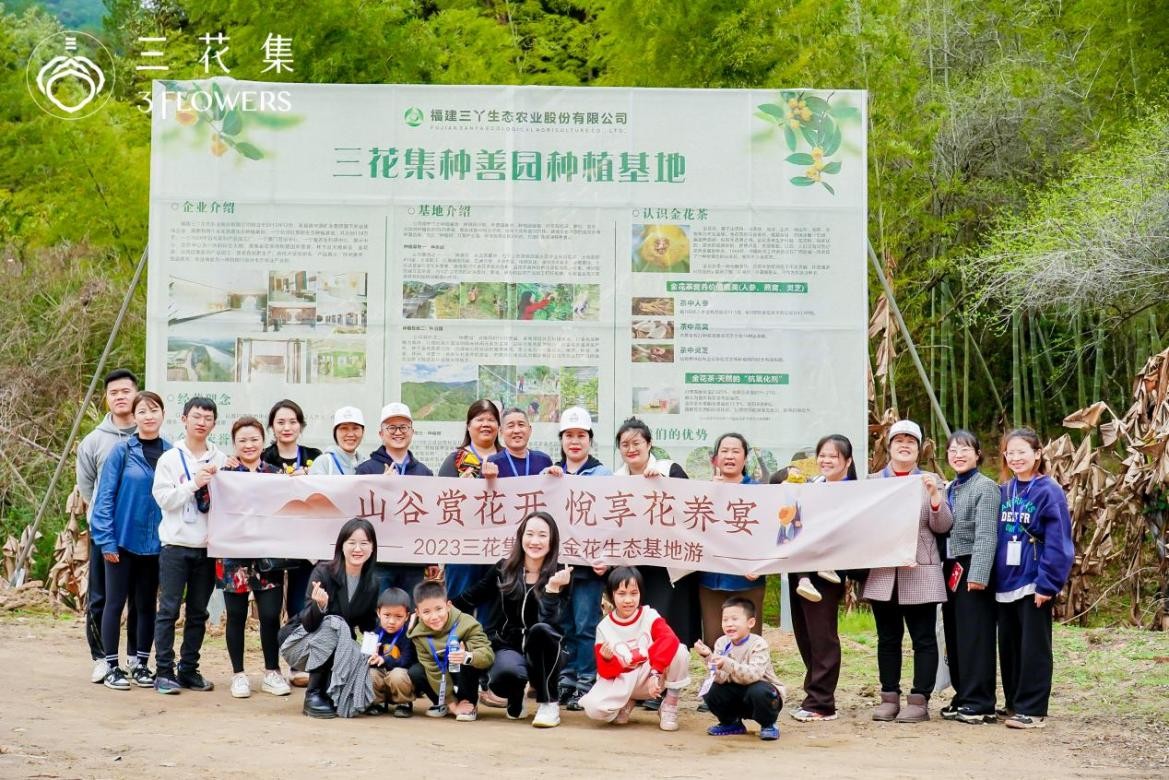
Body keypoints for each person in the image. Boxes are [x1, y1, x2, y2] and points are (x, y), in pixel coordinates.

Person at [865, 419, 953, 723]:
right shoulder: (872, 482)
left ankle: (919, 699)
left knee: (923, 638)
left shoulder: (930, 480)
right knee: (888, 638)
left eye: (911, 441)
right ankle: (889, 697)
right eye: (899, 440)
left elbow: (943, 526)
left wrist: (935, 498)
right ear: (888, 446)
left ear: (919, 448)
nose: (904, 445)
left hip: (920, 571)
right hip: (884, 572)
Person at [453, 511, 573, 728]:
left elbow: (551, 623)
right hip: (509, 645)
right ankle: (514, 697)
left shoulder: (560, 575)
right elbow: (473, 596)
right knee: (504, 672)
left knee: (541, 630)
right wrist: (440, 608)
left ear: (552, 540)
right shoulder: (504, 568)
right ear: (521, 536)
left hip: (546, 651)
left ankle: (549, 704)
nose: (535, 541)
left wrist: (552, 589)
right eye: (530, 534)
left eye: (542, 535)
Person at [994, 428, 1073, 729]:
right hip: (1006, 580)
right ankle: (1014, 703)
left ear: (1037, 454)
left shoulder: (1048, 490)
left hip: (1033, 579)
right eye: (1010, 453)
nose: (1015, 458)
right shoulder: (1005, 490)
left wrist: (1047, 583)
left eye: (1022, 452)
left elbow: (1058, 541)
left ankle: (1033, 708)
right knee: (1009, 646)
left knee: (1034, 647)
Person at [91, 390, 169, 691]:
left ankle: (140, 663)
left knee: (146, 605)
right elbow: (104, 498)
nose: (149, 416)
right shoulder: (122, 451)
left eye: (154, 410)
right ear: (134, 417)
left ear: (163, 414)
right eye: (143, 411)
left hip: (156, 544)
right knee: (114, 603)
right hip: (121, 542)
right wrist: (106, 541)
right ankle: (112, 665)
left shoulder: (171, 453)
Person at [150, 396, 228, 695]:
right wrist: (194, 483)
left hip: (207, 548)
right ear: (184, 419)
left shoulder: (220, 459)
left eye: (208, 418)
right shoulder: (170, 459)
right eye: (196, 416)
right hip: (175, 545)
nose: (201, 423)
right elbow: (164, 500)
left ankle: (188, 669)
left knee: (198, 612)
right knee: (168, 610)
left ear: (214, 424)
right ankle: (163, 671)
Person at [214, 417, 290, 699]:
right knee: (236, 616)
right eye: (242, 440)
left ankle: (272, 672)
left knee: (270, 615)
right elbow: (205, 503)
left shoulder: (275, 474)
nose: (249, 445)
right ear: (234, 444)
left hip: (267, 557)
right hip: (233, 557)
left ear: (263, 441)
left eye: (254, 439)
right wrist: (213, 475)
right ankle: (238, 674)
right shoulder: (224, 473)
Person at [543, 406, 612, 710]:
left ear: (589, 440)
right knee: (564, 625)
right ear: (561, 439)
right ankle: (566, 677)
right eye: (569, 435)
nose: (574, 441)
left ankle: (586, 679)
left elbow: (614, 520)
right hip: (558, 566)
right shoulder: (550, 474)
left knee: (585, 624)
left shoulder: (603, 475)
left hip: (589, 567)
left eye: (581, 435)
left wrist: (607, 557)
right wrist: (548, 479)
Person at [613, 417, 700, 658]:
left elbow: (691, 509)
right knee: (641, 627)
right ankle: (644, 675)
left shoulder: (670, 470)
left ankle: (671, 677)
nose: (631, 449)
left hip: (669, 565)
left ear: (649, 444)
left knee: (671, 626)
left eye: (636, 443)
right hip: (635, 565)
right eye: (625, 444)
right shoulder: (614, 480)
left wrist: (664, 484)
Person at [76, 368, 139, 683]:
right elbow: (88, 488)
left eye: (126, 391)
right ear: (106, 398)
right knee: (101, 597)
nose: (120, 397)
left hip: (140, 532)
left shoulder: (149, 435)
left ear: (136, 394)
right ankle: (101, 658)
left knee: (139, 597)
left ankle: (136, 658)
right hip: (106, 531)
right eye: (114, 393)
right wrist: (104, 521)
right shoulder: (94, 441)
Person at [788, 433, 856, 722]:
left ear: (848, 461)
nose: (826, 460)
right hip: (800, 567)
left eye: (833, 456)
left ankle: (822, 702)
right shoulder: (812, 485)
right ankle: (813, 694)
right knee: (805, 634)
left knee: (822, 635)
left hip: (828, 572)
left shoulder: (855, 493)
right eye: (823, 455)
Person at [284, 518, 381, 718]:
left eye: (364, 543)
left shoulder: (372, 582)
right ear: (341, 546)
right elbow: (308, 623)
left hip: (340, 645)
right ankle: (313, 694)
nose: (358, 549)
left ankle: (341, 694)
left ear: (372, 548)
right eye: (352, 542)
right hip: (303, 641)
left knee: (356, 647)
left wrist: (372, 648)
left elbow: (368, 623)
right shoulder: (323, 572)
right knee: (333, 625)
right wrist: (320, 606)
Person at [579, 566, 691, 731]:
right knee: (593, 708)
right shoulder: (604, 627)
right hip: (624, 680)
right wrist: (607, 659)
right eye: (621, 594)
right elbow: (605, 673)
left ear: (641, 594)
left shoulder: (649, 615)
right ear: (611, 595)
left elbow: (669, 639)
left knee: (679, 651)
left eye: (633, 593)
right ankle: (627, 702)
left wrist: (655, 671)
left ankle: (669, 704)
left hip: (652, 676)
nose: (628, 600)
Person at [940, 429, 1001, 724]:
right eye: (953, 450)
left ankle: (980, 701)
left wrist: (978, 575)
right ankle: (963, 694)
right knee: (956, 635)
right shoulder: (949, 487)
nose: (958, 454)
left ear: (978, 454)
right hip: (951, 567)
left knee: (976, 636)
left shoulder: (985, 487)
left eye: (965, 449)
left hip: (973, 567)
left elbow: (987, 534)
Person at [356, 403, 436, 597]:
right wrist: (381, 487)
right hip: (378, 561)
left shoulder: (424, 472)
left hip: (413, 560)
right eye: (391, 428)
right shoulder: (365, 470)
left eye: (403, 427)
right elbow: (358, 516)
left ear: (412, 432)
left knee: (412, 611)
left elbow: (430, 519)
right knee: (380, 611)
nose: (398, 432)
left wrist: (432, 559)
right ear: (381, 434)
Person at [261, 399, 323, 640]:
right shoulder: (263, 457)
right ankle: (271, 659)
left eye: (292, 422)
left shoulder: (315, 457)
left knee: (301, 605)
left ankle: (299, 655)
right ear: (272, 426)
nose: (286, 427)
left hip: (306, 545)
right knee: (269, 612)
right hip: (272, 543)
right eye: (280, 422)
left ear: (301, 425)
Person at [698, 433, 767, 646]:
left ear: (745, 458)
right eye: (724, 451)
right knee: (714, 640)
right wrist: (713, 493)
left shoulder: (760, 491)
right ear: (715, 459)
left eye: (735, 451)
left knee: (749, 641)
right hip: (711, 579)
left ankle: (750, 670)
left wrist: (761, 564)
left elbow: (769, 532)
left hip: (748, 579)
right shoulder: (702, 491)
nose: (729, 456)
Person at [694, 596, 784, 740]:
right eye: (725, 620)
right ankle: (731, 722)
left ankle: (768, 724)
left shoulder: (759, 644)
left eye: (735, 619)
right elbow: (720, 678)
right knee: (710, 686)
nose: (729, 624)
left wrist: (726, 663)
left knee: (759, 691)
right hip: (736, 693)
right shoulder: (721, 643)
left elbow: (753, 675)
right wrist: (708, 657)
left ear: (750, 622)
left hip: (760, 693)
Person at [437, 400, 502, 601]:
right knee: (459, 602)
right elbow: (440, 504)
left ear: (499, 426)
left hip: (498, 546)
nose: (485, 424)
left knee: (493, 604)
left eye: (491, 419)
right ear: (468, 425)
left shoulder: (506, 459)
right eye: (479, 419)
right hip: (462, 547)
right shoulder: (455, 460)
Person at [407, 579, 495, 721]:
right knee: (416, 671)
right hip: (441, 673)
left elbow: (488, 655)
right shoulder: (418, 634)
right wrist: (452, 705)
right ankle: (444, 704)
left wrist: (467, 656)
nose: (434, 617)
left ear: (448, 606)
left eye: (439, 609)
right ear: (418, 613)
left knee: (464, 661)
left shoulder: (467, 623)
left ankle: (468, 703)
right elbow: (432, 669)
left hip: (462, 670)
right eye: (426, 612)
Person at [366, 587, 417, 717]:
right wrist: (370, 656)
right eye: (387, 615)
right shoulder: (374, 633)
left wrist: (384, 659)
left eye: (398, 616)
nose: (392, 621)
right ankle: (377, 702)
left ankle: (404, 703)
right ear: (378, 612)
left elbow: (406, 661)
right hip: (381, 674)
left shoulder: (408, 635)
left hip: (399, 676)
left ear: (407, 616)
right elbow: (363, 659)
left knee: (398, 675)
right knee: (370, 673)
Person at [484, 407, 553, 478]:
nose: (516, 430)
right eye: (511, 426)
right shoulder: (492, 464)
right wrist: (490, 480)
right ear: (501, 432)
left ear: (529, 430)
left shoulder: (544, 460)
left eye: (521, 425)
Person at [308, 406, 365, 475]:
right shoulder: (324, 463)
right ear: (335, 432)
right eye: (344, 428)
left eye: (355, 428)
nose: (350, 434)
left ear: (363, 432)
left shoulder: (366, 464)